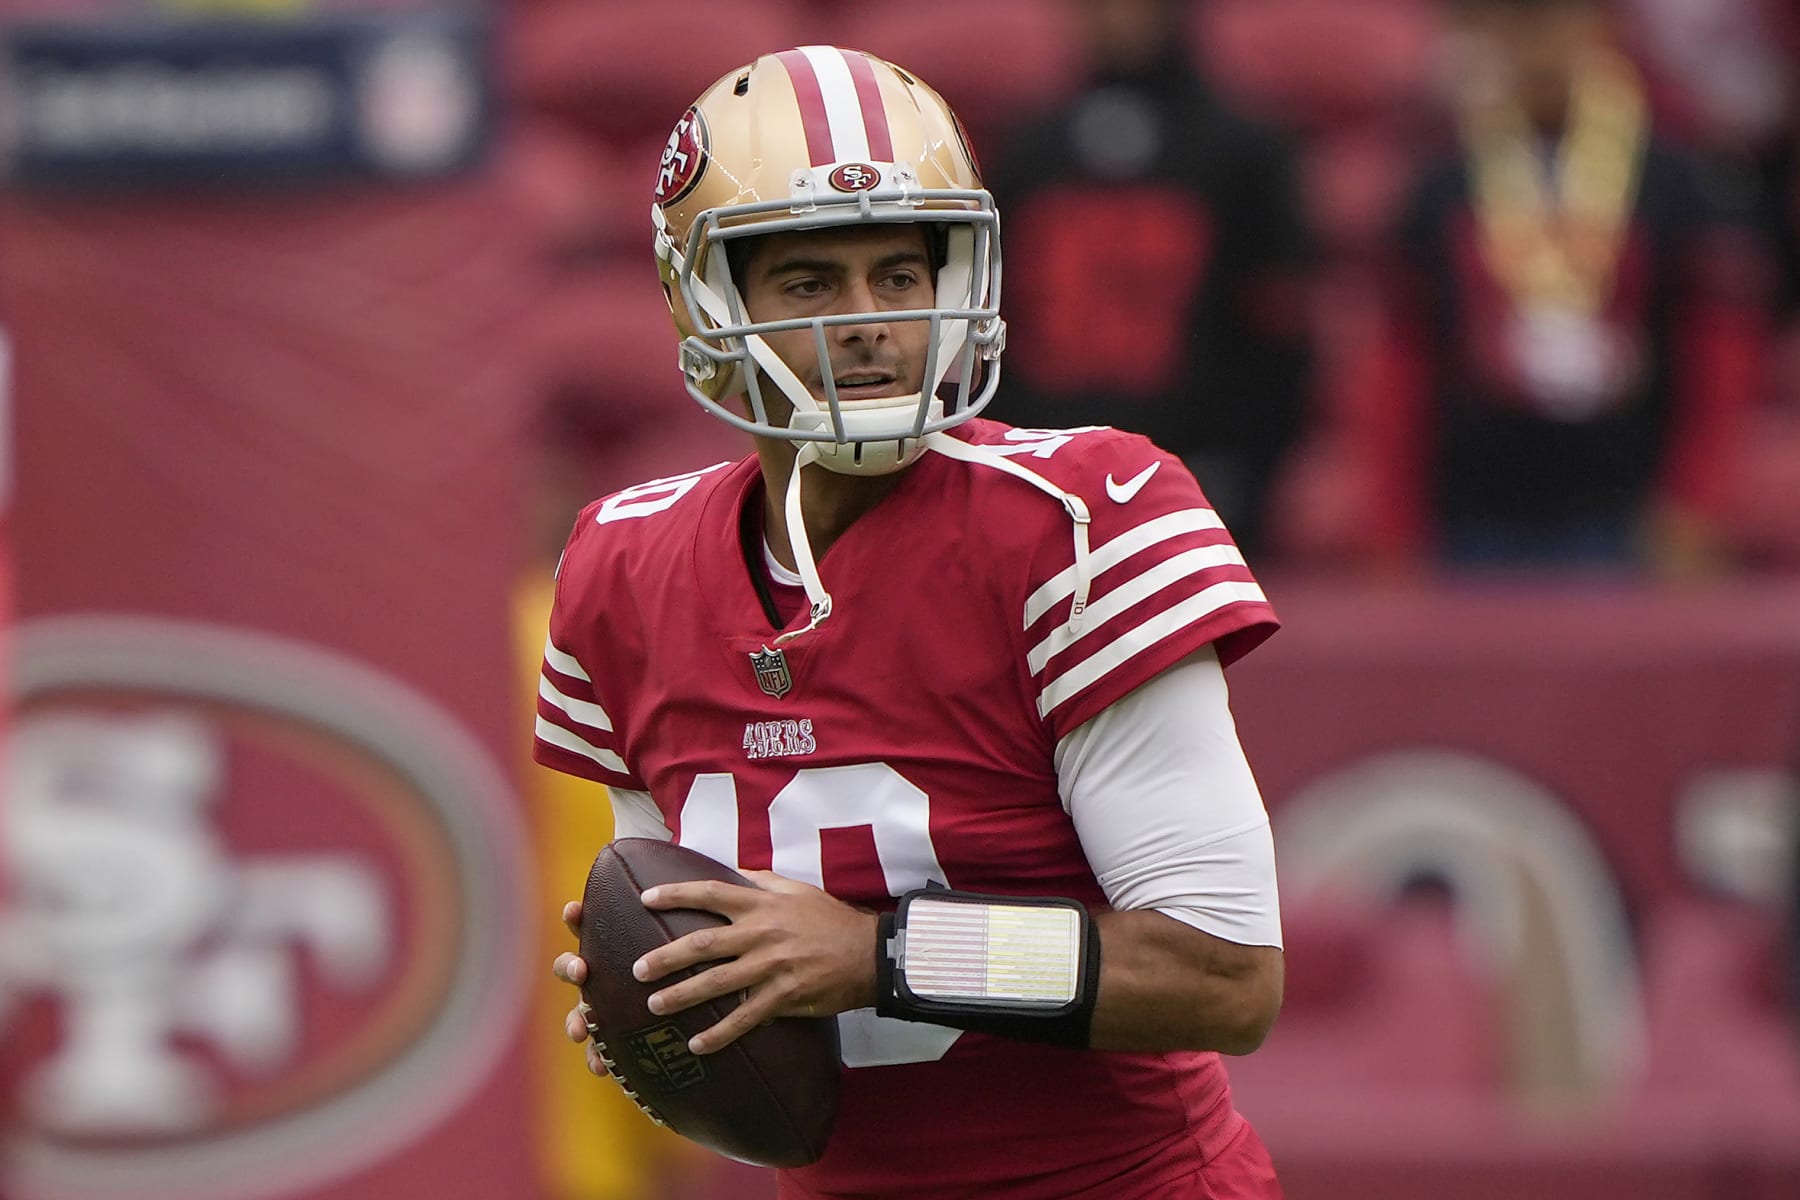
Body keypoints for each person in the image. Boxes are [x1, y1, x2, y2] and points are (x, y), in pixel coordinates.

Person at [540, 46, 1285, 1200]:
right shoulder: (622, 568)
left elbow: (1225, 978)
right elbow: (700, 944)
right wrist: (674, 1006)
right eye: (809, 284)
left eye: (898, 273)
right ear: (709, 302)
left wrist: (874, 955)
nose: (870, 323)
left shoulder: (1079, 521)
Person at [1365, 0, 1770, 573]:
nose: (1541, 49)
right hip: (1471, 516)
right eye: (1519, 25)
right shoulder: (1441, 184)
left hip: (1630, 515)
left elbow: (1718, 359)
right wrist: (1394, 522)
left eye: (1560, 22)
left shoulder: (1676, 180)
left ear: (1604, 30)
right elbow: (1401, 367)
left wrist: (1696, 500)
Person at [987, 0, 1316, 561]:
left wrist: (1247, 472)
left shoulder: (1247, 154)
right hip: (1042, 473)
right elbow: (992, 315)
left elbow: (1282, 334)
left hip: (1199, 474)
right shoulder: (1026, 150)